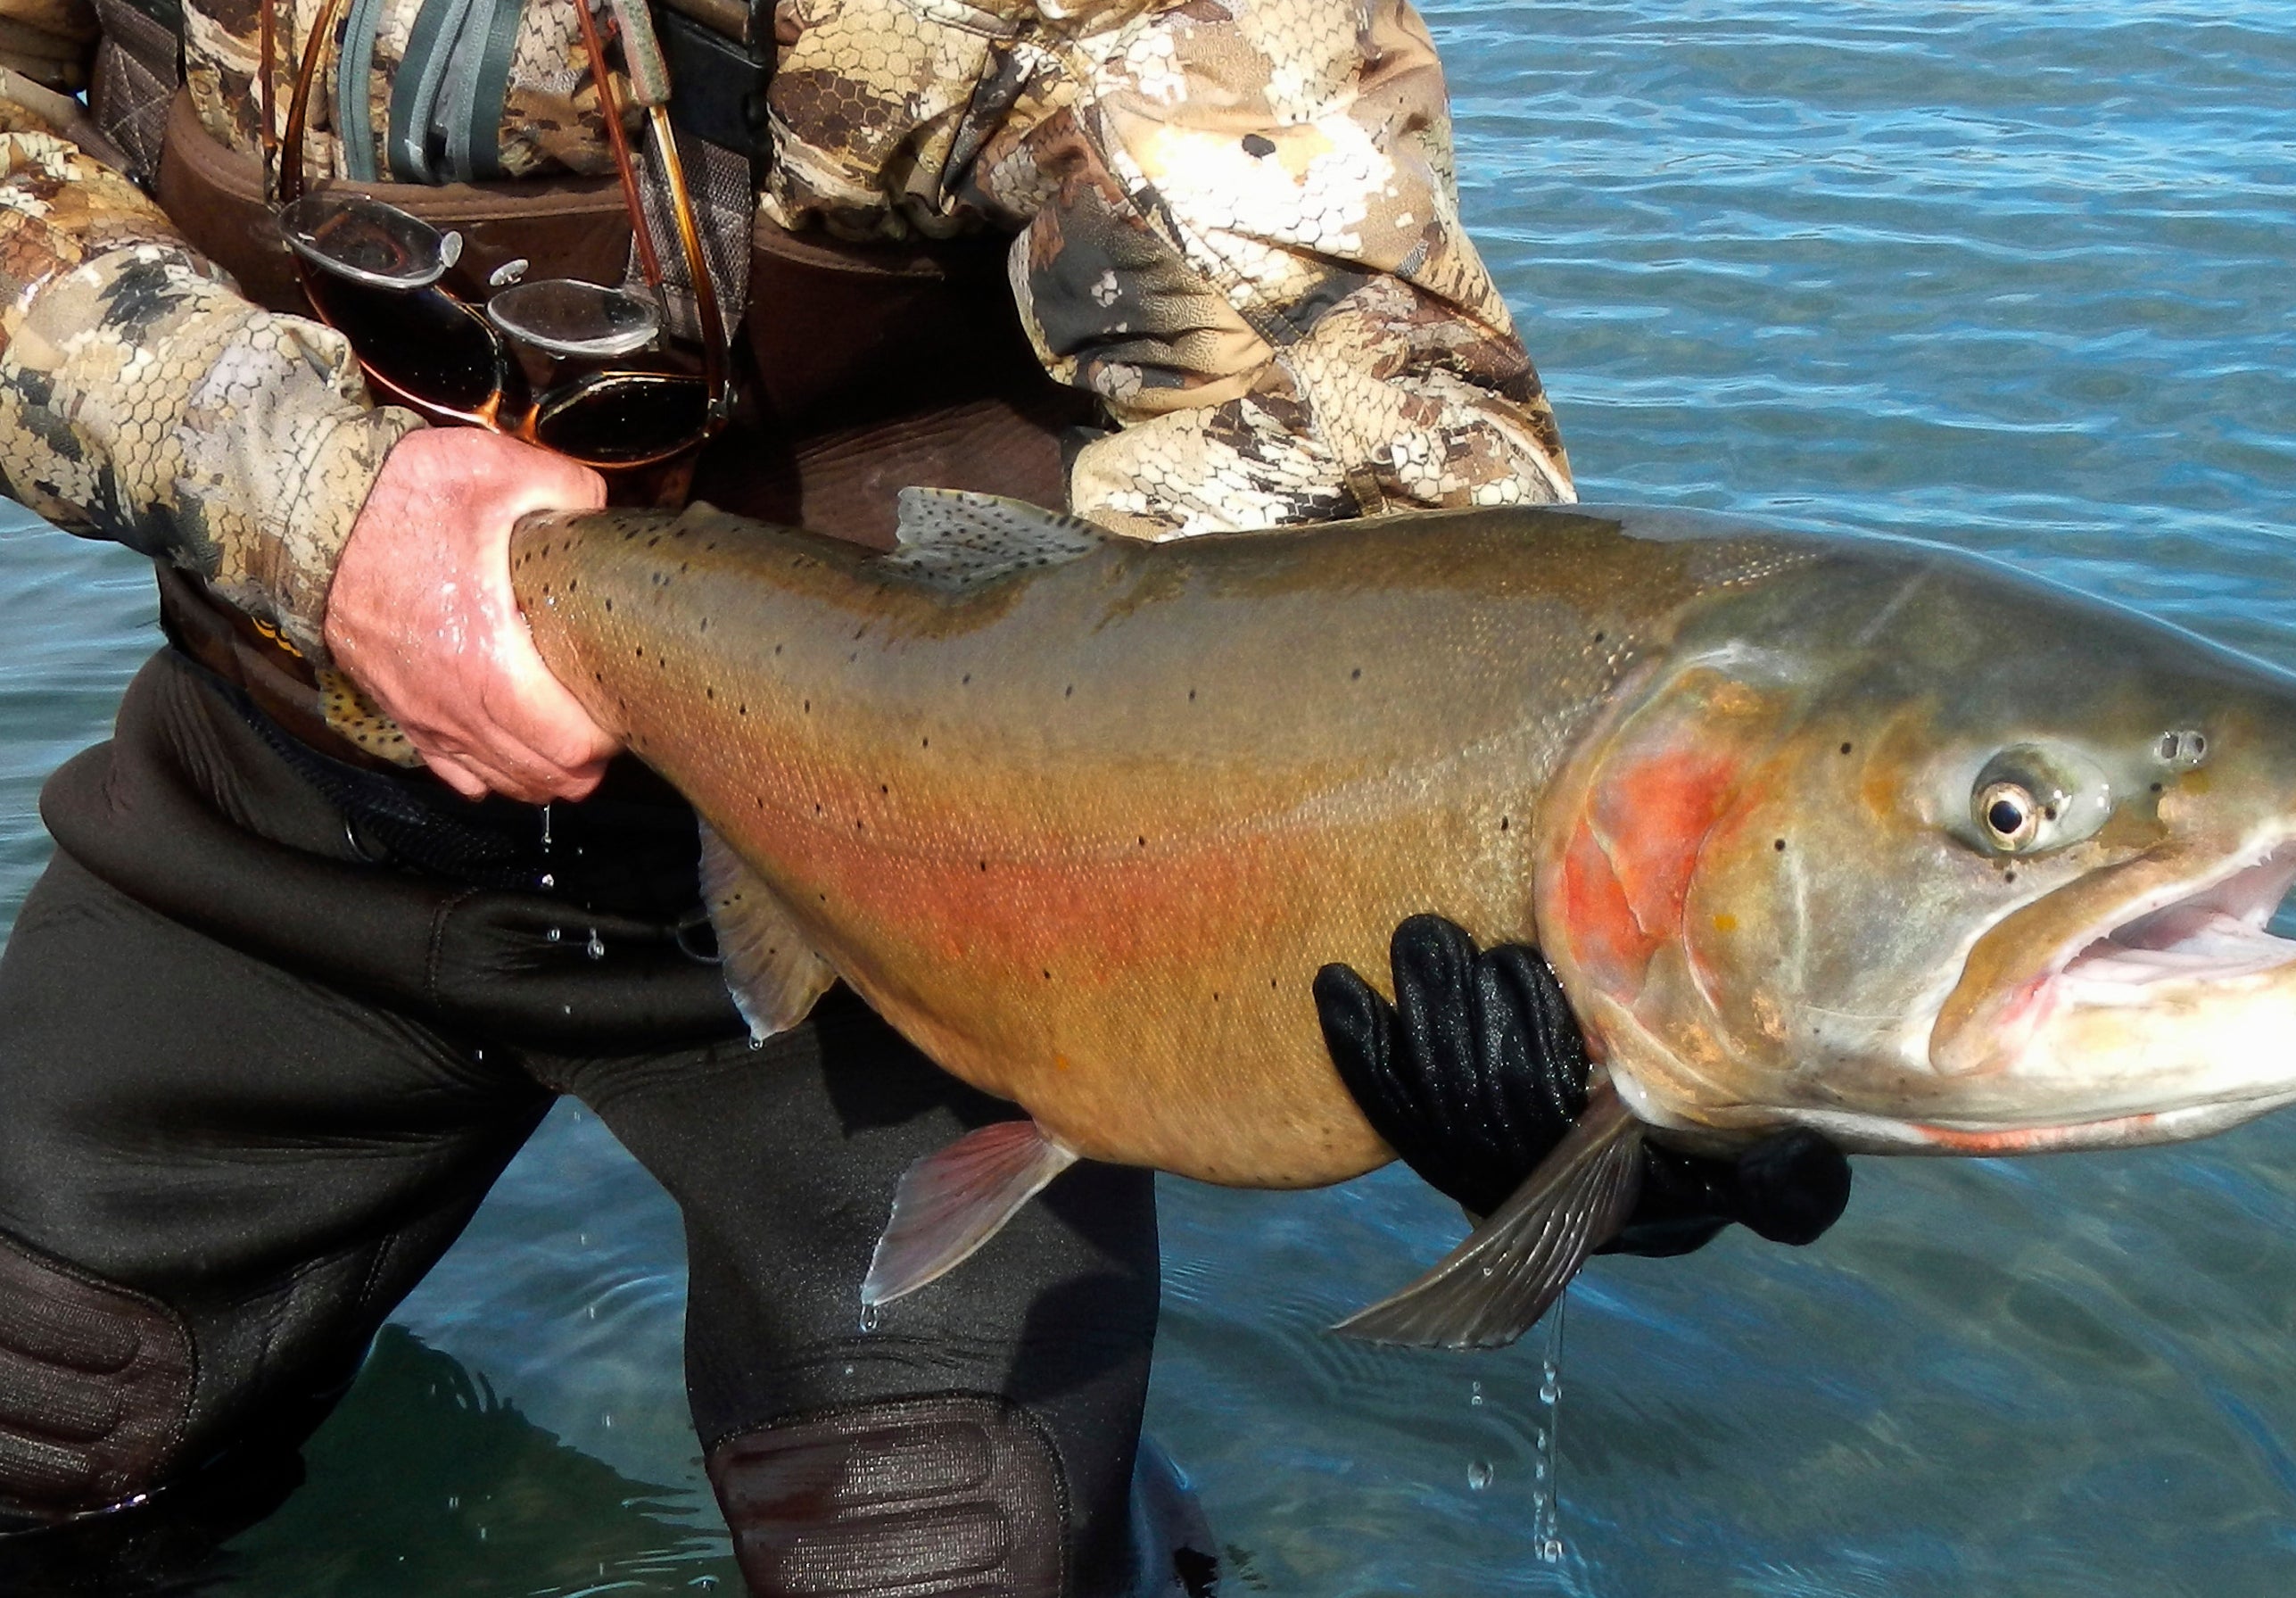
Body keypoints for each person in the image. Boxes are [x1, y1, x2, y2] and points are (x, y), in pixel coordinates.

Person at [0, 0, 1846, 1586]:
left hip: (931, 906)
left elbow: (1357, 407)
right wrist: (314, 497)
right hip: (275, 820)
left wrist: (1579, 939)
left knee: (949, 1548)